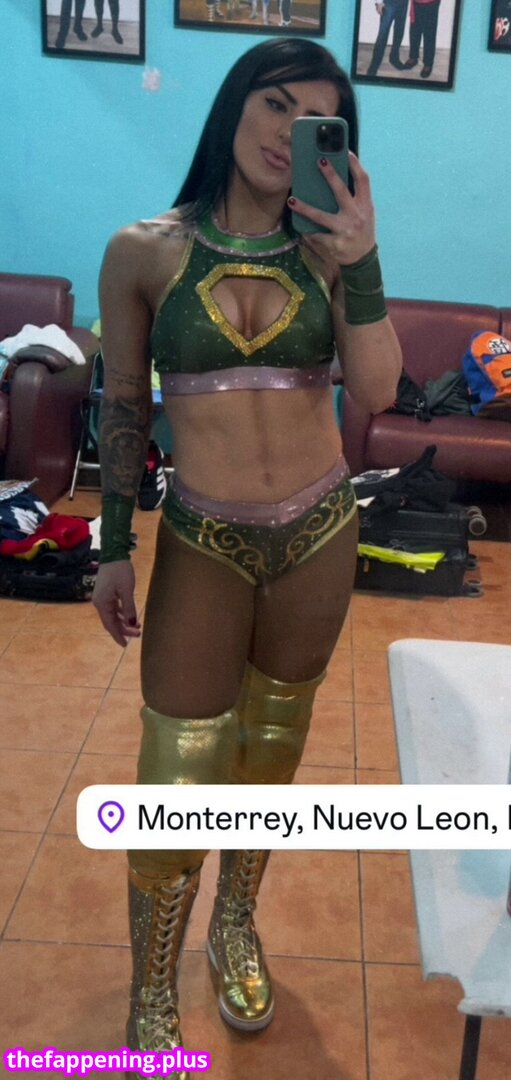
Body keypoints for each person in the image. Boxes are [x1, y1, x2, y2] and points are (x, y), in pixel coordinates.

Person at [92, 37, 401, 1078]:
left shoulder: (329, 253)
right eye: (275, 103)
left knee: (269, 753)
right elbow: (123, 403)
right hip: (203, 539)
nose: (288, 132)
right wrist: (111, 547)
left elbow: (378, 393)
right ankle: (150, 984)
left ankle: (233, 923)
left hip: (318, 531)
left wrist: (361, 255)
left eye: (317, 119)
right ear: (233, 107)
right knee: (179, 766)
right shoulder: (144, 251)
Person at [366, 0, 409, 76]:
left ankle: (394, 58)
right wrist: (379, 2)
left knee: (399, 32)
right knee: (383, 34)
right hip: (389, 3)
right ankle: (374, 65)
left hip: (404, 3)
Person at [403, 0, 441, 79]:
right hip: (416, 3)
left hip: (431, 3)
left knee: (429, 34)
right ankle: (413, 57)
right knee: (414, 32)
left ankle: (428, 63)